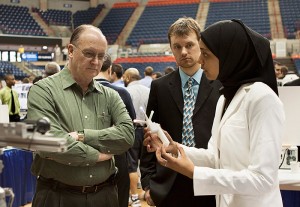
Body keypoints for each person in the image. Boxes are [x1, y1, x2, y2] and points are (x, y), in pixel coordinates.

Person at [147, 19, 285, 207]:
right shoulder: (226, 98)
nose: (201, 60)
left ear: (229, 55)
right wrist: (177, 149)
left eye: (206, 54)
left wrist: (195, 173)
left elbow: (263, 179)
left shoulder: (262, 98)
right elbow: (215, 157)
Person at [27, 24, 134, 207]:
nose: (96, 62)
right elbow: (49, 143)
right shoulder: (43, 91)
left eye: (101, 56)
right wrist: (99, 155)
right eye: (89, 54)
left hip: (106, 196)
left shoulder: (110, 95)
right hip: (57, 197)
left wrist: (82, 136)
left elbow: (127, 135)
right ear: (70, 50)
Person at [140, 17, 221, 207]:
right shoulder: (159, 87)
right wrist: (148, 183)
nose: (183, 52)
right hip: (169, 183)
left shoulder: (220, 85)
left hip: (211, 177)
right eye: (177, 46)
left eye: (189, 45)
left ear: (200, 44)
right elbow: (150, 134)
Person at [94, 54, 136, 207]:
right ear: (110, 69)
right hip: (116, 154)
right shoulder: (122, 93)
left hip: (86, 154)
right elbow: (130, 124)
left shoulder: (78, 91)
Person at [123, 68, 150, 207]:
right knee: (146, 165)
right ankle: (148, 194)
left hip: (132, 130)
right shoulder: (148, 90)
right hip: (146, 130)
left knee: (131, 166)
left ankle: (134, 198)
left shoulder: (126, 92)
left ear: (127, 77)